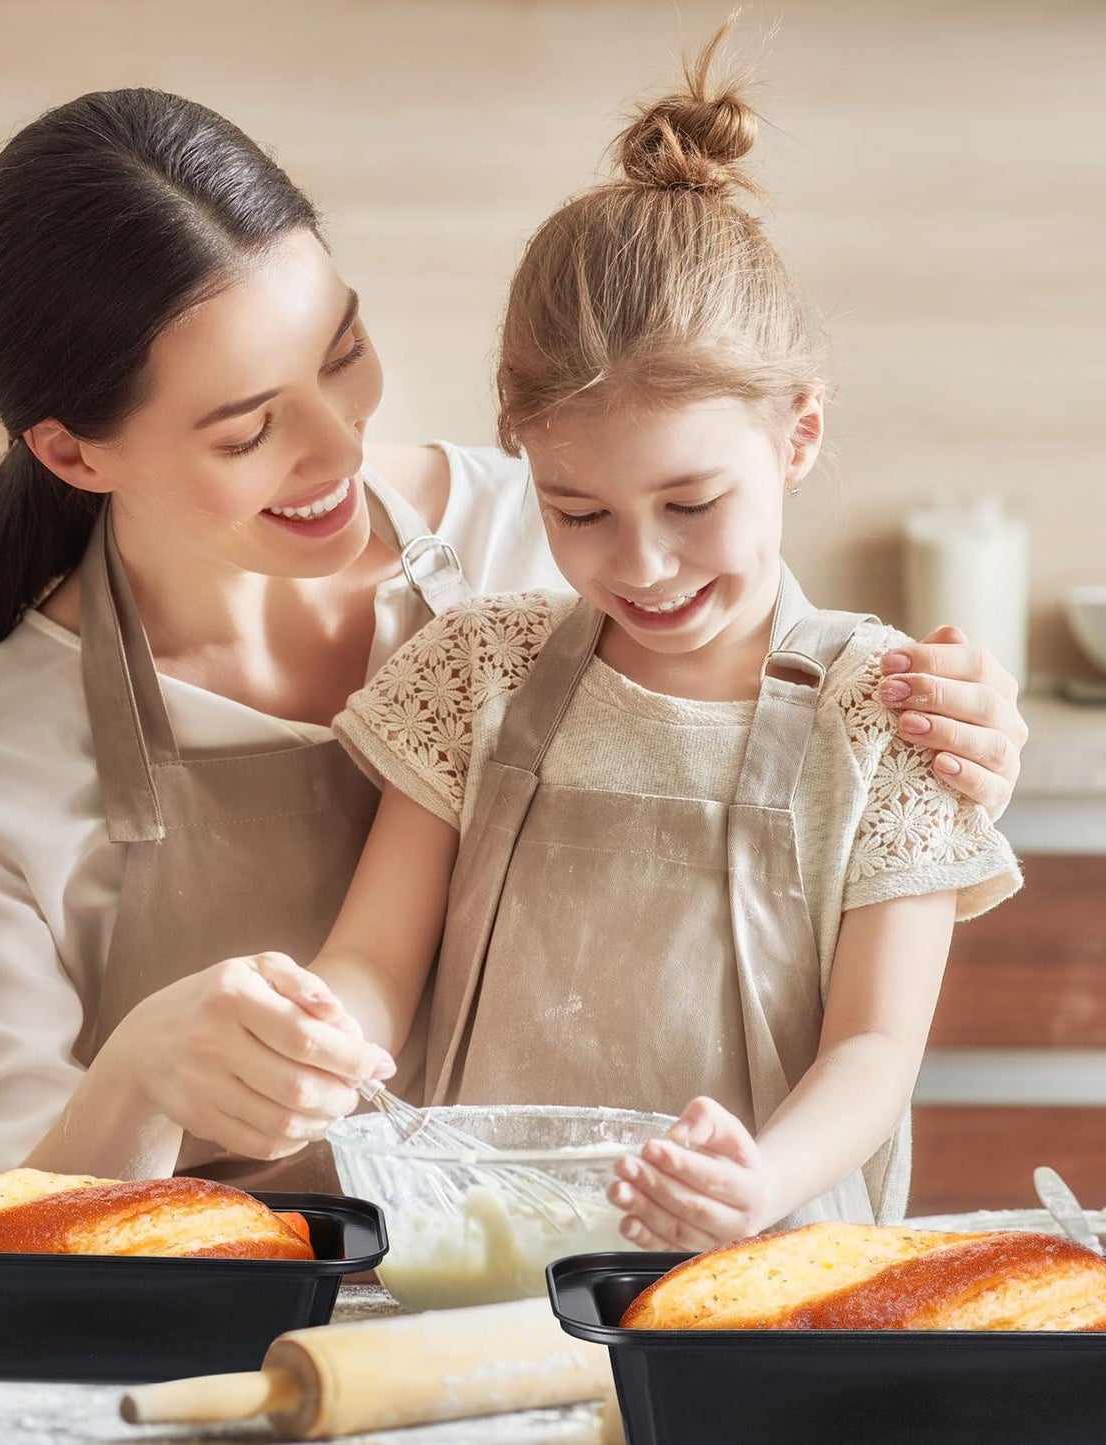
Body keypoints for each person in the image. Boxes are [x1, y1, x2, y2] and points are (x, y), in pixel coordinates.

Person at [0, 81, 1028, 1190]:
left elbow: (775, 713)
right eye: (246, 431)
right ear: (75, 455)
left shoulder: (557, 519)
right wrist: (139, 1077)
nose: (337, 452)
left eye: (339, 355)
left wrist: (959, 730)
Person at [293, 24, 1024, 1245]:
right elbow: (373, 960)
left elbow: (873, 1049)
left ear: (795, 436)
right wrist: (312, 1034)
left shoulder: (886, 717)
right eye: (574, 511)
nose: (638, 563)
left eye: (690, 505)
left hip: (765, 1263)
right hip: (488, 1255)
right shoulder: (477, 670)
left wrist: (758, 1175)